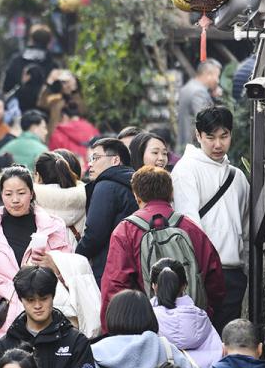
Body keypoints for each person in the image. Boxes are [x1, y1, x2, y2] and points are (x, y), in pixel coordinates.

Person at [0, 165, 72, 357]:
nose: (15, 200)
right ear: (1, 195)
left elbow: (71, 276)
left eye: (21, 193)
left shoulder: (53, 227)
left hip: (41, 316)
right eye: (8, 194)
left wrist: (54, 265)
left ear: (32, 193)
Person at [100, 165, 225, 325]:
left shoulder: (126, 230)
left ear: (137, 195)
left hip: (147, 326)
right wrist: (206, 313)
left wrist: (112, 328)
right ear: (171, 193)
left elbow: (115, 284)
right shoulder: (190, 228)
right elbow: (215, 279)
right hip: (192, 322)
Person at [172, 106, 250, 331]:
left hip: (234, 274)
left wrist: (247, 271)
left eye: (224, 136)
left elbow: (246, 229)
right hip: (201, 273)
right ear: (198, 135)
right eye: (210, 137)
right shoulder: (186, 170)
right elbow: (190, 226)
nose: (218, 144)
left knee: (226, 340)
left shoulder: (237, 177)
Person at [76, 137, 138, 285]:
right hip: (133, 265)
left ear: (115, 160)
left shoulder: (106, 185)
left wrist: (77, 256)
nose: (90, 164)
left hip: (109, 268)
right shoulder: (134, 183)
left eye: (96, 158)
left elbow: (94, 233)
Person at [150, 258, 222, 368]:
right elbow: (217, 355)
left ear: (154, 286)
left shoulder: (147, 320)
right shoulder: (202, 319)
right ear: (184, 285)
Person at [33, 150, 87, 247]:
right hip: (77, 254)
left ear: (38, 176)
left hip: (42, 254)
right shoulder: (84, 196)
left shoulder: (31, 199)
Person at [177, 58, 222, 152]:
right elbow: (206, 122)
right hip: (194, 148)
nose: (218, 81)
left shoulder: (188, 87)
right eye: (217, 76)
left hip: (183, 144)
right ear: (208, 74)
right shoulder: (199, 92)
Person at [2, 24, 56, 93]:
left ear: (31, 40)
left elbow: (6, 87)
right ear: (49, 42)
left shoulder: (16, 60)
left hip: (19, 98)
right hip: (43, 99)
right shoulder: (52, 63)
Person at [48, 102, 100, 169]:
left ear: (64, 116)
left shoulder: (58, 134)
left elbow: (53, 159)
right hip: (93, 170)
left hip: (69, 172)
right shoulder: (93, 129)